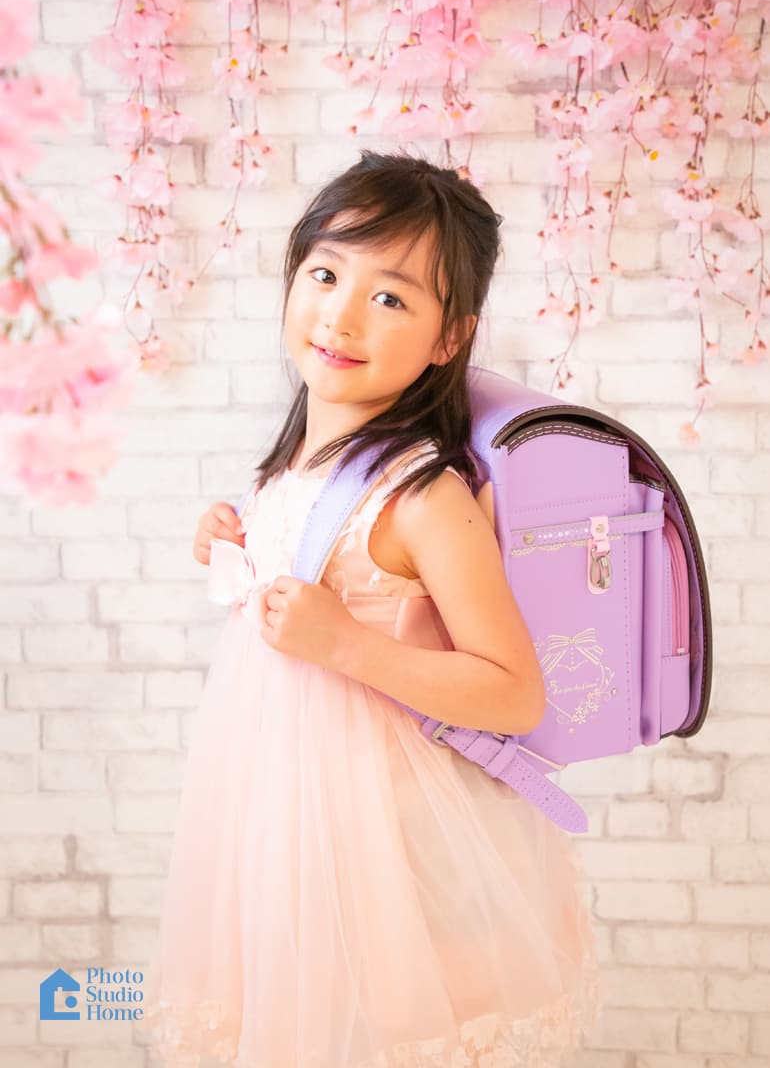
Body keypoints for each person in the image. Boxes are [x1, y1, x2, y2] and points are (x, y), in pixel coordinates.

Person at [143, 151, 603, 1067]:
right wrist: (233, 542)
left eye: (391, 297)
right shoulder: (298, 462)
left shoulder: (423, 499)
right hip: (285, 812)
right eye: (325, 274)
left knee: (382, 1033)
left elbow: (514, 693)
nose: (342, 315)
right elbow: (298, 589)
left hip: (390, 839)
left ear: (448, 338)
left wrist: (347, 644)